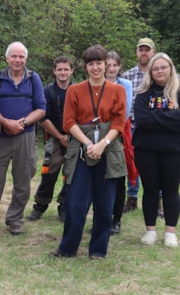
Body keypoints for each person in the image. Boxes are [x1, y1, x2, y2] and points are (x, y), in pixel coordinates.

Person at [51, 45, 126, 259]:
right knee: (75, 203)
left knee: (104, 204)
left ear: (106, 65)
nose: (95, 68)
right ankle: (67, 248)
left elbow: (119, 122)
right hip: (81, 151)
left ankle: (98, 250)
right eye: (91, 64)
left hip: (108, 149)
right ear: (86, 67)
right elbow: (68, 121)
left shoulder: (117, 90)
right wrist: (87, 144)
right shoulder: (75, 90)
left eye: (99, 63)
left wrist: (102, 144)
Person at [0, 41, 46, 235]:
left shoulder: (33, 78)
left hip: (25, 136)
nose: (17, 60)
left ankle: (15, 219)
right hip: (0, 137)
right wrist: (6, 123)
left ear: (26, 59)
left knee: (23, 181)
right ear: (7, 58)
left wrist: (22, 123)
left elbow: (41, 108)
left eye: (21, 56)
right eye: (14, 56)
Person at [132, 52, 180, 247]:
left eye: (163, 67)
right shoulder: (143, 94)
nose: (160, 71)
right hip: (146, 150)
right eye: (156, 68)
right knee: (150, 190)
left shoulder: (178, 92)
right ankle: (150, 231)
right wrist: (170, 119)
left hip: (173, 151)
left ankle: (170, 232)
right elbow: (142, 120)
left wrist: (156, 117)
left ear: (170, 69)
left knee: (171, 190)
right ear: (150, 71)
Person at [25, 56, 74, 222]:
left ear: (72, 71)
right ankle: (39, 206)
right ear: (54, 71)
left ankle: (65, 207)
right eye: (59, 69)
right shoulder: (47, 91)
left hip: (74, 138)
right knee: (48, 173)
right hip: (54, 138)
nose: (63, 72)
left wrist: (70, 135)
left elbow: (82, 116)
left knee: (71, 175)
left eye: (66, 69)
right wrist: (60, 136)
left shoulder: (78, 90)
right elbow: (43, 117)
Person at [122, 38, 156, 213]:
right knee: (132, 162)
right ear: (136, 52)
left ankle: (158, 201)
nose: (144, 53)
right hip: (133, 125)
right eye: (141, 50)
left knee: (155, 163)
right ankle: (132, 197)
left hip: (155, 127)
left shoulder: (158, 74)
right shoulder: (127, 75)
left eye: (147, 50)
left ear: (153, 52)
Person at [105, 51, 133, 235]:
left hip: (119, 133)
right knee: (100, 178)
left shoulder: (126, 85)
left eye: (115, 65)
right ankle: (102, 218)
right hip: (97, 133)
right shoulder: (98, 83)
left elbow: (125, 110)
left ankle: (116, 219)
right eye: (109, 65)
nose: (112, 68)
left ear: (119, 67)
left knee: (118, 176)